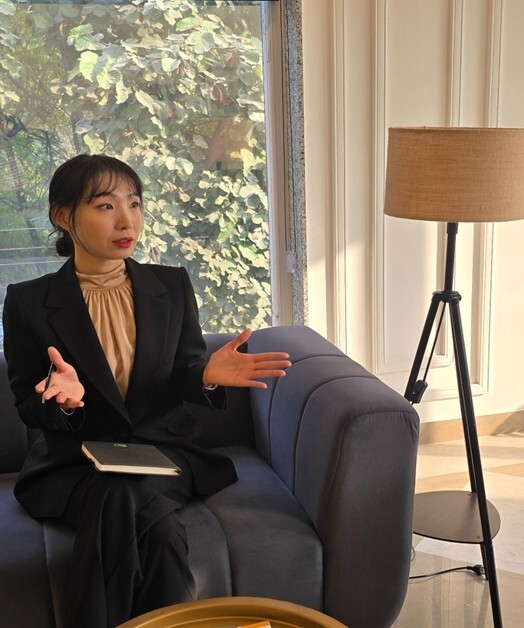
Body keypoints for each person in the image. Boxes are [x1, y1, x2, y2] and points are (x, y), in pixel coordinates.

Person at [2, 154, 291, 628]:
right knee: (146, 517)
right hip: (75, 464)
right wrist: (65, 402)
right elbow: (28, 406)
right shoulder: (28, 301)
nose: (127, 220)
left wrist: (205, 375)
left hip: (165, 454)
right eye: (105, 206)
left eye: (134, 203)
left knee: (119, 493)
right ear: (63, 216)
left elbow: (184, 372)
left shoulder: (171, 285)